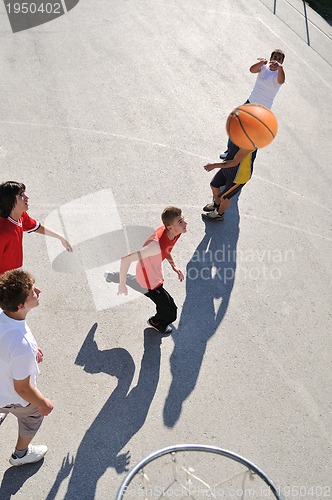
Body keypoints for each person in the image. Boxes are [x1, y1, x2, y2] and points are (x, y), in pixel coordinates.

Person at [0, 269, 54, 466]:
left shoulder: (3, 317)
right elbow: (22, 389)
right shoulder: (21, 344)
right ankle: (20, 455)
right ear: (21, 305)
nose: (38, 290)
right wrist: (43, 403)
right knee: (32, 417)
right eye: (32, 291)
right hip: (14, 398)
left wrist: (30, 352)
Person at [104, 206, 187, 334]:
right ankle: (155, 322)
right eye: (180, 222)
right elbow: (126, 259)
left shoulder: (174, 233)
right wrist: (121, 285)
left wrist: (173, 266)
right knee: (171, 313)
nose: (185, 223)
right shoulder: (155, 246)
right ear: (170, 227)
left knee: (134, 281)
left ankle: (111, 276)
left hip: (147, 272)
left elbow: (167, 249)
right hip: (150, 283)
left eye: (183, 219)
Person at [220, 49, 285, 159]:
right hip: (250, 103)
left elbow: (281, 81)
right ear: (271, 57)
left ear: (282, 62)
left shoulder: (279, 74)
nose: (276, 60)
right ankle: (229, 151)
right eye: (275, 57)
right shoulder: (264, 68)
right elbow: (252, 70)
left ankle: (242, 159)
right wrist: (261, 63)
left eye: (279, 59)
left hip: (262, 110)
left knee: (251, 136)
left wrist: (280, 68)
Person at [0, 181, 73, 275]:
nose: (27, 197)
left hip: (15, 276)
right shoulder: (3, 232)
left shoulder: (21, 216)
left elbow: (36, 227)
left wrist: (60, 237)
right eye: (21, 195)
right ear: (10, 201)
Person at [202, 140, 257, 221]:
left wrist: (214, 165)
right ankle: (217, 204)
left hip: (239, 176)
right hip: (228, 169)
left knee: (225, 197)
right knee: (214, 185)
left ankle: (219, 214)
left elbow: (235, 162)